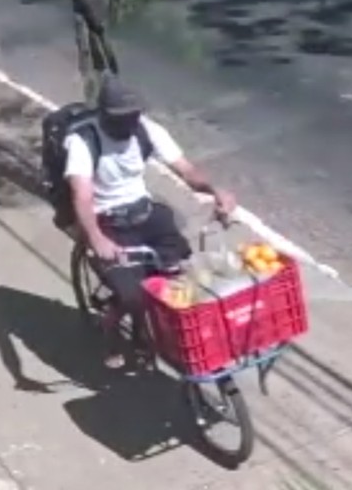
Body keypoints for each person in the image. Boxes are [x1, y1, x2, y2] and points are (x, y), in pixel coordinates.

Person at [64, 77, 236, 368]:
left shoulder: (147, 129)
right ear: (104, 115)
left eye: (133, 116)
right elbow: (81, 195)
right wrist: (96, 237)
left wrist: (214, 191)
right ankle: (111, 325)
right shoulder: (83, 141)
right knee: (133, 295)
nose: (130, 124)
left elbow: (186, 170)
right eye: (122, 118)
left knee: (183, 275)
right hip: (108, 220)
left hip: (145, 212)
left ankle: (159, 330)